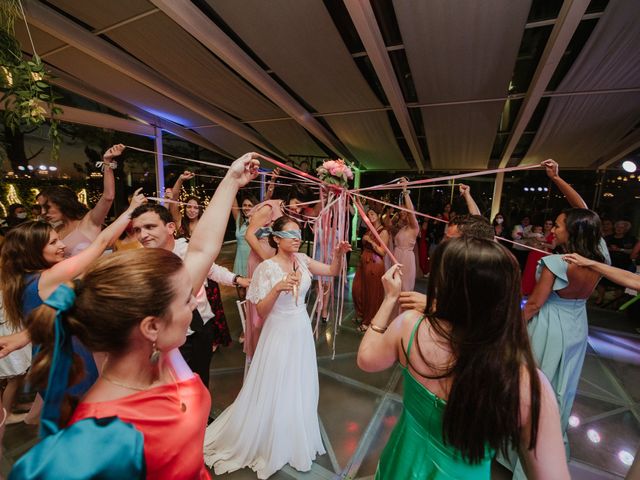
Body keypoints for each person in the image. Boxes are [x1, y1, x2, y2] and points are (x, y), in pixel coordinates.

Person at [12, 153, 260, 479]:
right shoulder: (100, 437)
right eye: (186, 302)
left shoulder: (160, 354)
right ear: (151, 326)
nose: (192, 309)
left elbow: (201, 250)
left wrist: (231, 180)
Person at [357, 240, 568, 480]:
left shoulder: (410, 326)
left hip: (400, 465)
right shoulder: (527, 383)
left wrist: (389, 299)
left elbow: (366, 359)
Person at [203, 216, 350, 479]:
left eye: (298, 233)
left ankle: (293, 428)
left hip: (301, 329)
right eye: (290, 233)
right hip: (278, 330)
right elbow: (260, 310)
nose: (297, 238)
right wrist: (277, 289)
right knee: (276, 380)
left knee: (298, 379)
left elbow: (332, 271)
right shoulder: (266, 269)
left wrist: (338, 255)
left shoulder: (302, 262)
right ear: (276, 238)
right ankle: (270, 432)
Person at [498, 159, 606, 477]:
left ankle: (522, 452)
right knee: (561, 386)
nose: (553, 229)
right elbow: (586, 212)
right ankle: (549, 444)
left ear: (571, 232)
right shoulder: (600, 255)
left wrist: (510, 330)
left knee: (533, 385)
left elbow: (532, 305)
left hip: (548, 326)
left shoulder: (556, 263)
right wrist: (557, 179)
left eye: (558, 225)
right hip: (577, 326)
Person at [0, 190, 146, 397]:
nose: (62, 246)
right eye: (53, 243)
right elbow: (101, 242)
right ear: (32, 250)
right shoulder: (48, 277)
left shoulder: (21, 280)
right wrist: (131, 210)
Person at [130, 203, 249, 388]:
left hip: (202, 325)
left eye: (150, 227)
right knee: (179, 386)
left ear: (170, 227)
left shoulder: (188, 250)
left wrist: (237, 279)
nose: (142, 235)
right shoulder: (143, 263)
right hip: (172, 336)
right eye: (137, 230)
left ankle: (204, 412)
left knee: (202, 378)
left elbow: (211, 269)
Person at [243, 184, 315, 357]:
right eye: (297, 203)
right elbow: (249, 234)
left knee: (280, 307)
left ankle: (278, 353)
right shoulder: (270, 208)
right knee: (260, 314)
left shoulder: (295, 215)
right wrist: (268, 262)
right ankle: (260, 356)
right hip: (262, 263)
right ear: (290, 196)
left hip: (281, 264)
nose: (298, 208)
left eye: (302, 206)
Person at [40, 144, 121, 258]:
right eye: (41, 208)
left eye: (47, 207)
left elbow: (108, 196)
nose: (42, 212)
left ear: (62, 203)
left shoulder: (89, 221)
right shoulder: (56, 230)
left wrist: (107, 161)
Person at [352, 206, 389, 332]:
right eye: (369, 215)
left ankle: (368, 321)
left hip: (374, 263)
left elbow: (383, 252)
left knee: (371, 294)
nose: (370, 217)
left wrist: (371, 242)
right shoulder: (369, 229)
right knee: (357, 290)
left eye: (373, 214)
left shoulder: (383, 231)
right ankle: (362, 314)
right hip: (364, 262)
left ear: (378, 215)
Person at [392, 180, 419, 292]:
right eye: (401, 210)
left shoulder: (414, 227)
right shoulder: (403, 227)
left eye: (404, 210)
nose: (401, 212)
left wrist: (405, 191)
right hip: (397, 256)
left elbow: (410, 212)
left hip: (406, 259)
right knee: (394, 287)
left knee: (404, 287)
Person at [521, 221, 556, 295]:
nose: (547, 225)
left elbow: (553, 246)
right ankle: (526, 291)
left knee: (540, 274)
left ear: (552, 226)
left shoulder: (554, 235)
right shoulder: (538, 232)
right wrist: (532, 244)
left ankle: (537, 293)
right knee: (530, 272)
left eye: (550, 224)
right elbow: (528, 242)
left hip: (545, 256)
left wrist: (542, 243)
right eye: (546, 223)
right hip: (534, 254)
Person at [232, 194, 258, 279]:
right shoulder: (239, 219)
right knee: (241, 290)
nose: (247, 208)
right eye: (244, 205)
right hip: (240, 259)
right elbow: (233, 201)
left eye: (250, 205)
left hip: (253, 259)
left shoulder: (258, 221)